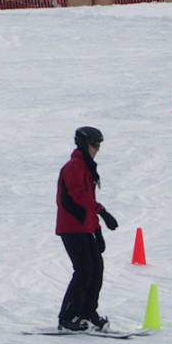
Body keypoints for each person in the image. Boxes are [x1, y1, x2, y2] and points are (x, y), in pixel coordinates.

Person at [55, 125, 118, 332]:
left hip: (84, 228)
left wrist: (97, 230)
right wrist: (102, 211)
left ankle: (87, 312)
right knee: (83, 271)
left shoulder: (87, 167)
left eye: (99, 145)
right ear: (84, 144)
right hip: (71, 227)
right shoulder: (73, 167)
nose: (97, 149)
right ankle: (67, 316)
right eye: (94, 145)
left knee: (96, 269)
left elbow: (89, 201)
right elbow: (79, 197)